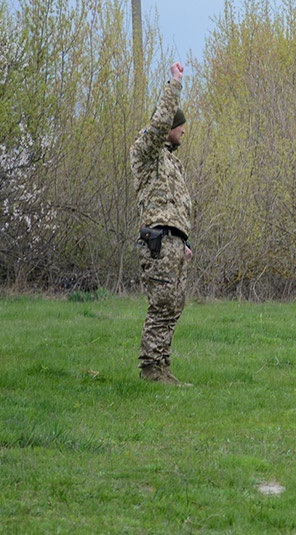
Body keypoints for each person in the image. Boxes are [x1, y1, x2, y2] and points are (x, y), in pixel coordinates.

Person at [130, 62, 194, 386]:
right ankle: (150, 370)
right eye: (179, 124)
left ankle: (163, 367)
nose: (184, 130)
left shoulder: (172, 163)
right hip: (157, 240)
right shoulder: (147, 151)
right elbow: (158, 124)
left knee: (174, 305)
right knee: (162, 303)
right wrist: (175, 83)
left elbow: (177, 207)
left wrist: (184, 243)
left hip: (172, 243)